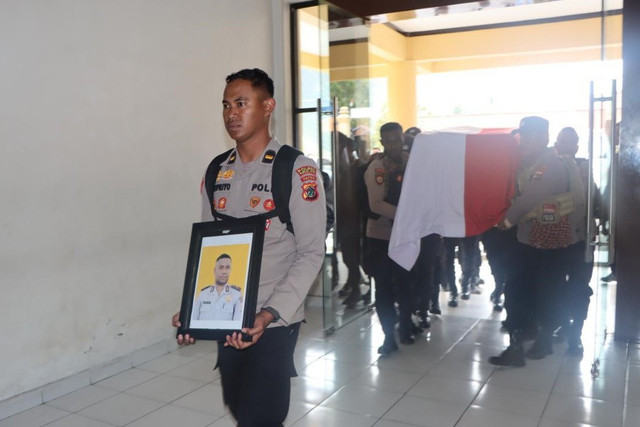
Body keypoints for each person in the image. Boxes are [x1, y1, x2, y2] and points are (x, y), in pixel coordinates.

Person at [172, 68, 326, 426]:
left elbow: (311, 252)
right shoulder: (217, 172)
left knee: (263, 417)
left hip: (273, 321)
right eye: (226, 105)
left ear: (268, 106)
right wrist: (193, 308)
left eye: (242, 103)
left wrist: (269, 314)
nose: (231, 113)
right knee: (238, 406)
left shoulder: (294, 169)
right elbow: (211, 249)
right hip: (227, 315)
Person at [489, 116, 585, 367]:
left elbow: (528, 199)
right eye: (524, 136)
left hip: (550, 242)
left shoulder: (549, 165)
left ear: (544, 137)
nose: (524, 141)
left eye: (530, 136)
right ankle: (518, 344)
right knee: (520, 289)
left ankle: (544, 340)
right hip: (529, 240)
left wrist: (506, 221)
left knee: (547, 291)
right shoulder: (528, 164)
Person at [364, 122, 416, 355]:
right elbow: (375, 204)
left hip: (405, 235)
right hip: (380, 236)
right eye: (389, 140)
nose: (394, 144)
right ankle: (388, 337)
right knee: (384, 288)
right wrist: (406, 215)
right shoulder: (377, 167)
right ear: (383, 142)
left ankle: (405, 327)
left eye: (398, 139)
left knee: (406, 285)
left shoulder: (411, 162)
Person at [554, 126, 596, 356]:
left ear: (577, 146)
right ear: (556, 144)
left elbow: (596, 201)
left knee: (580, 289)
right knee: (557, 286)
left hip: (581, 242)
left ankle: (575, 334)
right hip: (556, 240)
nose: (567, 146)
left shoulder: (585, 168)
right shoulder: (550, 169)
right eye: (562, 141)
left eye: (572, 142)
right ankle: (561, 324)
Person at [192, 254, 243, 321]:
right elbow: (193, 320)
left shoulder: (237, 295)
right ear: (215, 270)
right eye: (221, 267)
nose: (224, 272)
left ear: (230, 270)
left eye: (227, 267)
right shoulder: (203, 294)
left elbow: (237, 323)